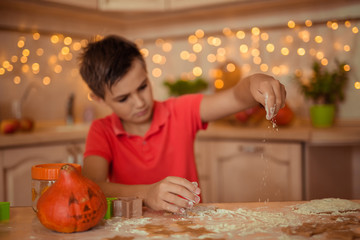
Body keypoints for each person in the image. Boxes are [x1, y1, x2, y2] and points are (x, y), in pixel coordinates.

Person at [79, 35, 286, 214]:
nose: (139, 102)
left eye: (142, 87)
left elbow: (237, 98)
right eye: (123, 99)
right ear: (99, 98)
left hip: (190, 229)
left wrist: (254, 83)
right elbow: (91, 186)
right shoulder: (101, 130)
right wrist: (146, 194)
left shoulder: (180, 111)